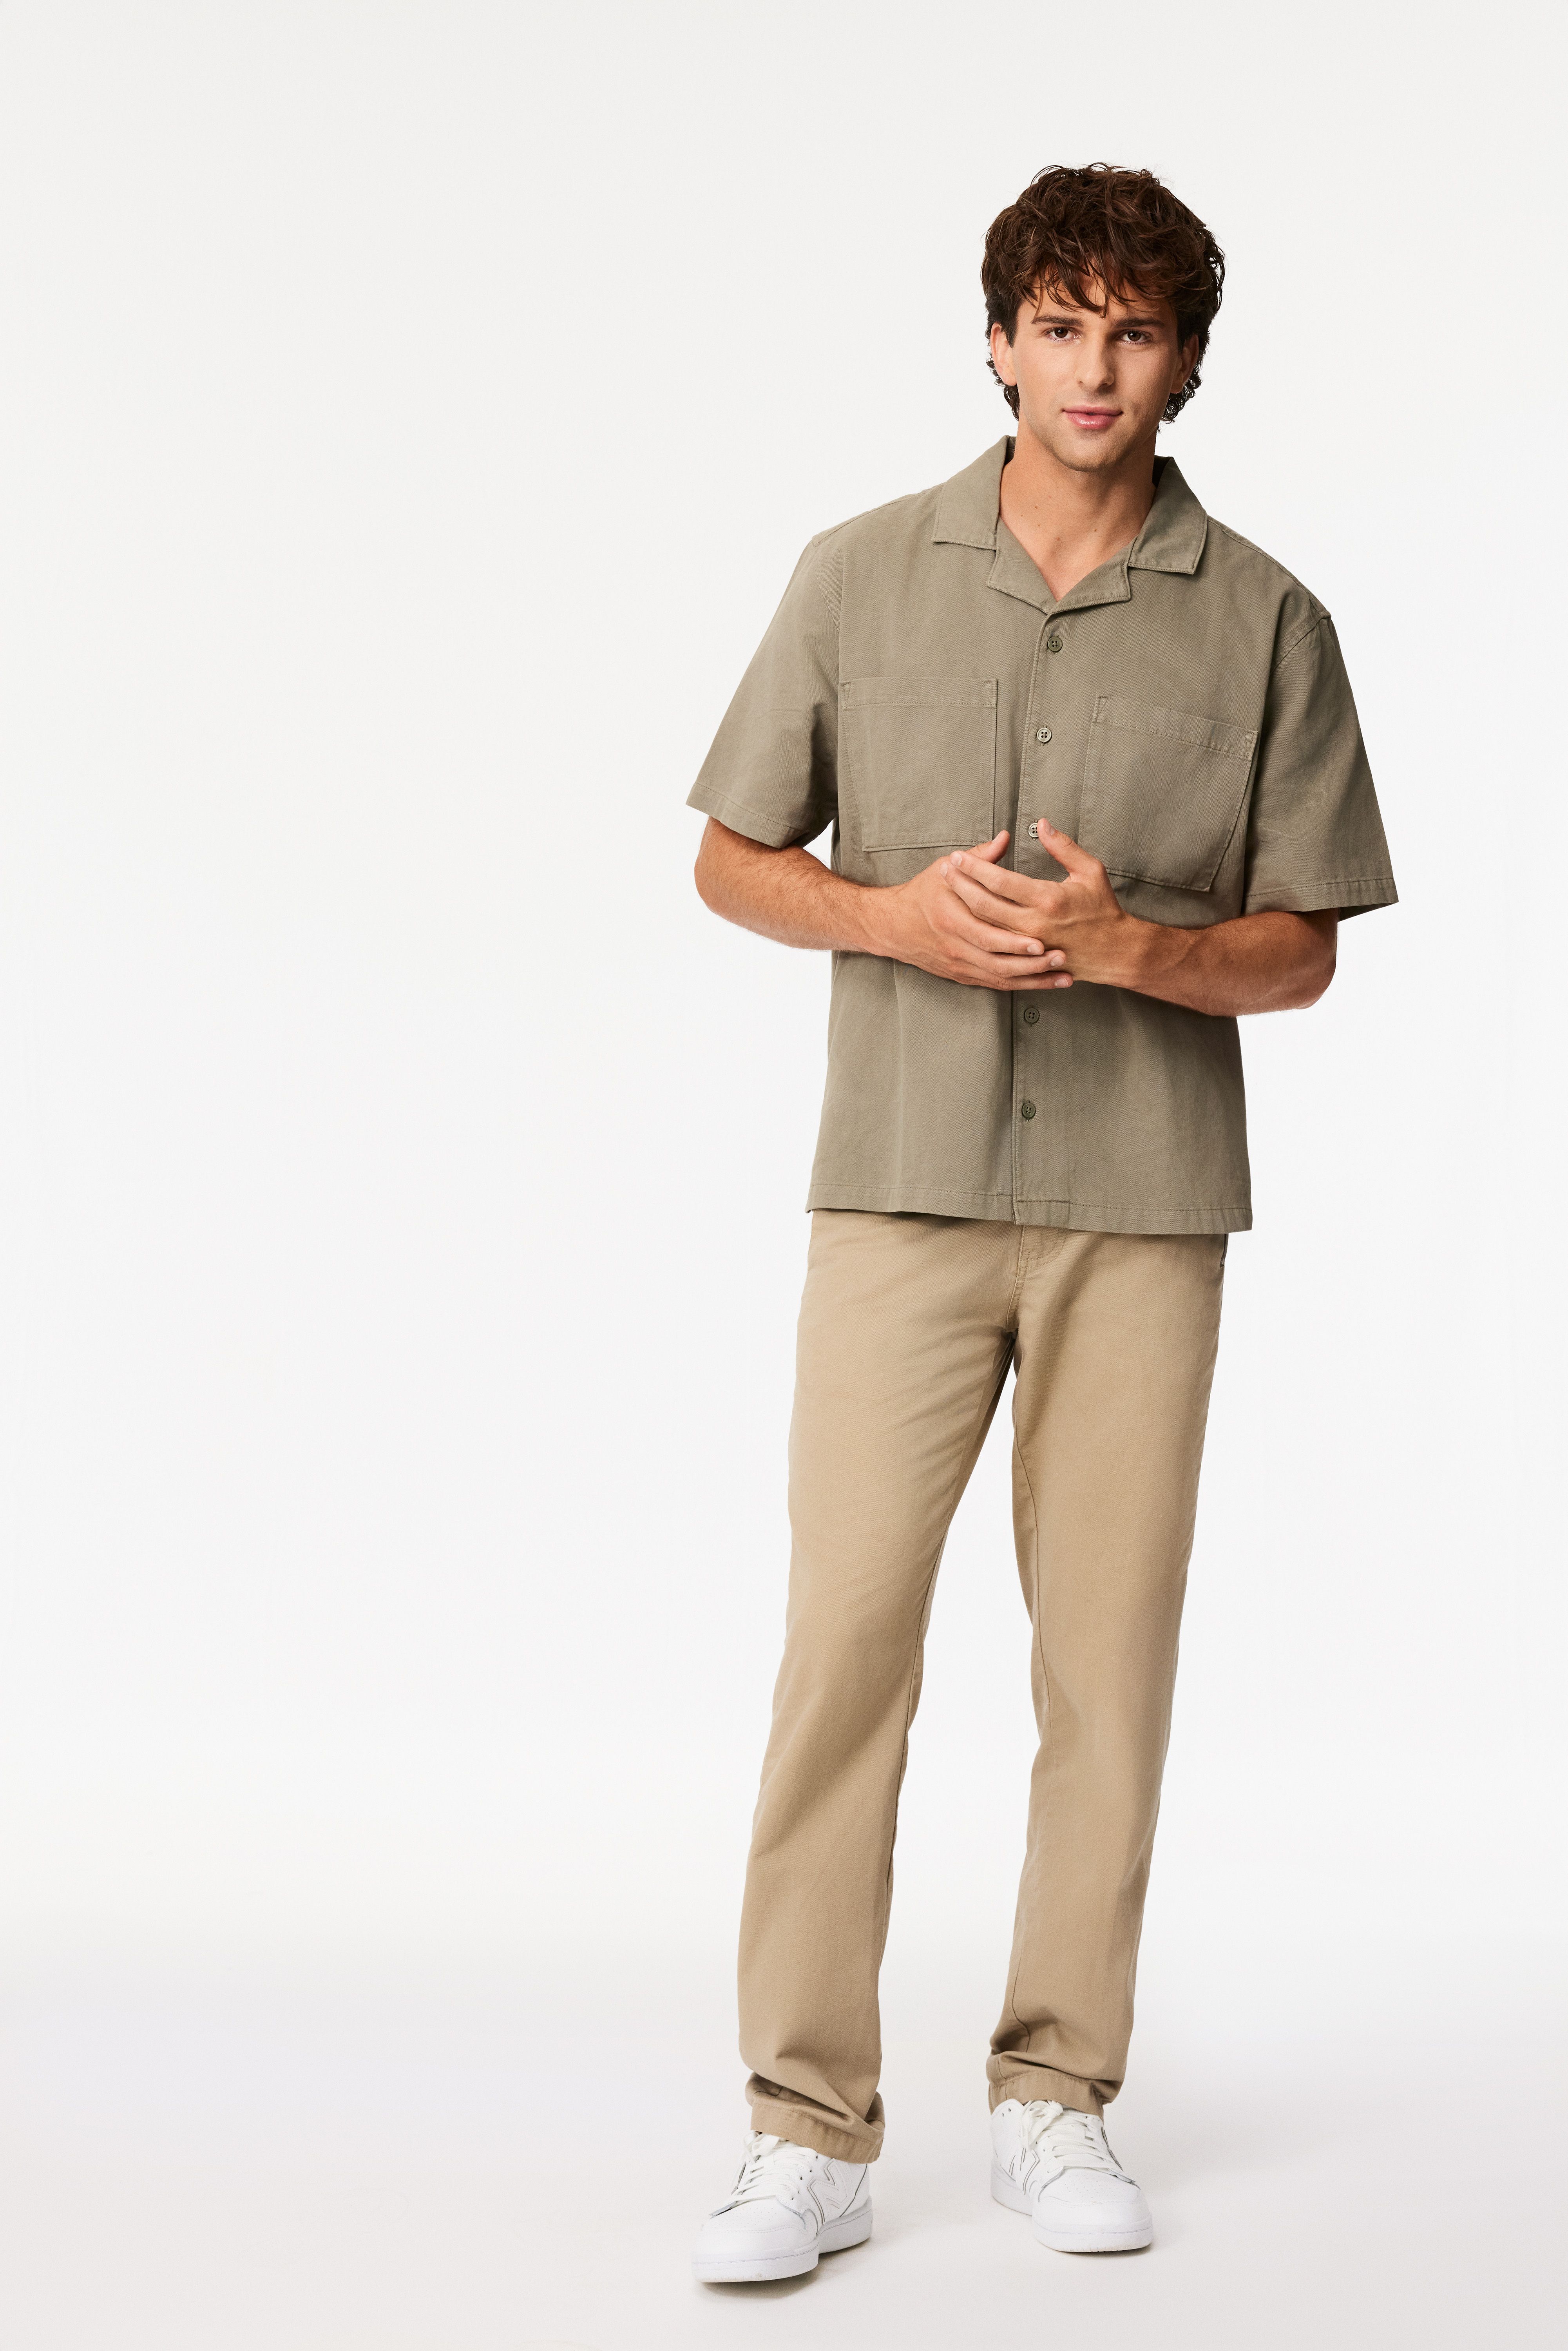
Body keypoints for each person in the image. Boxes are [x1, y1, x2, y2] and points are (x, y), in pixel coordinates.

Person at [684, 163, 1396, 2284]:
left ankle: (1054, 2097)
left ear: (1184, 361)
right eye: (1059, 324)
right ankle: (802, 2132)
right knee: (845, 1656)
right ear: (998, 338)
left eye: (1136, 332)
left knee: (1105, 1668)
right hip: (898, 1196)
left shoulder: (1265, 620)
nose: (1095, 369)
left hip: (1139, 1210)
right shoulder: (853, 576)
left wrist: (1129, 946)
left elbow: (1302, 953)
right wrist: (892, 912)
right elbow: (731, 856)